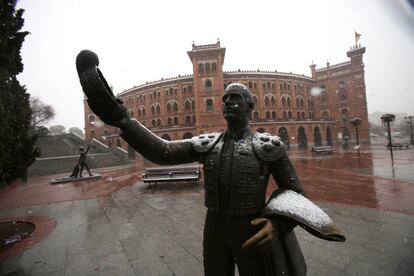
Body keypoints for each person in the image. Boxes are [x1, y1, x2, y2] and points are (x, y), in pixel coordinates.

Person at [76, 50, 343, 276]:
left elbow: (296, 193)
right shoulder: (209, 144)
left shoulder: (267, 147)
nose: (228, 102)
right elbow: (164, 152)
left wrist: (278, 225)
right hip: (213, 229)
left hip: (251, 228)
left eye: (235, 98)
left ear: (250, 105)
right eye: (225, 98)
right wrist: (124, 121)